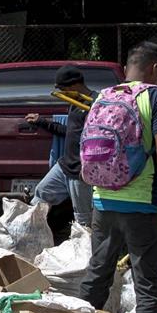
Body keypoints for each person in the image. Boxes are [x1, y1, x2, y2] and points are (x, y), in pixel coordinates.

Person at [78, 42, 157, 313]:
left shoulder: (104, 95)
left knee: (98, 274)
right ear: (154, 68)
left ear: (127, 67)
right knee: (148, 283)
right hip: (141, 201)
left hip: (102, 200)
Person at [25, 65, 96, 228]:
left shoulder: (94, 105)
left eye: (63, 89)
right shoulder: (74, 103)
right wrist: (42, 122)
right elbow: (70, 132)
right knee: (40, 196)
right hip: (65, 166)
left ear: (73, 85)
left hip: (81, 172)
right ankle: (30, 235)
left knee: (83, 220)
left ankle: (87, 251)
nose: (61, 94)